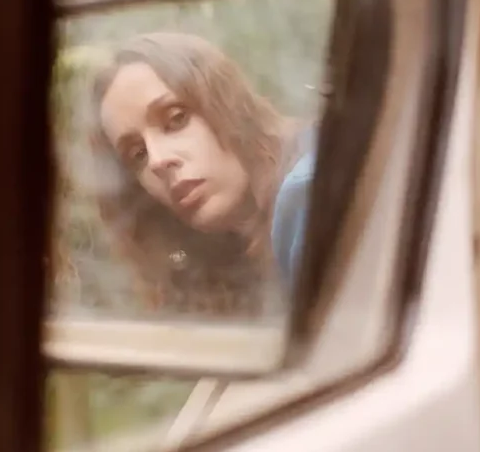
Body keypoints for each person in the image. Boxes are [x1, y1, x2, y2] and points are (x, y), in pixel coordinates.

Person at [87, 31, 316, 318]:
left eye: (176, 119)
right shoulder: (221, 255)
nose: (158, 162)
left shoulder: (307, 196)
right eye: (137, 154)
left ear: (228, 105)